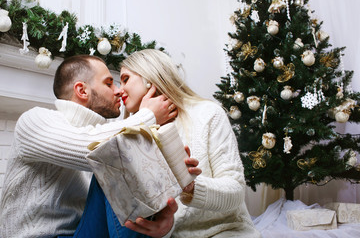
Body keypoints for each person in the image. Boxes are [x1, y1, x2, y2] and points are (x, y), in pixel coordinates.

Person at [0, 54, 200, 238]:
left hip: (84, 232)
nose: (118, 91)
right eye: (109, 83)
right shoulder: (34, 120)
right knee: (117, 155)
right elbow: (93, 149)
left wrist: (164, 220)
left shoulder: (107, 132)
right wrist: (147, 116)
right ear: (82, 90)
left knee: (124, 156)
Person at [118, 49, 261, 238]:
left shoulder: (208, 114)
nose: (120, 90)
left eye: (125, 79)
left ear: (148, 77)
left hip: (225, 233)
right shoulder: (134, 134)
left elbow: (235, 193)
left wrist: (191, 187)